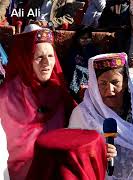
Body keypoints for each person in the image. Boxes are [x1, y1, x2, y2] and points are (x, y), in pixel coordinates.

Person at [68, 53, 133, 179]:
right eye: (103, 83)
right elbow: (72, 156)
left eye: (115, 82)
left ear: (125, 83)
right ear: (95, 86)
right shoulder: (83, 115)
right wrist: (97, 151)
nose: (110, 89)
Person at [0, 29, 76, 180]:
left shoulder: (59, 93)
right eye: (39, 57)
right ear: (26, 59)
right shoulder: (6, 98)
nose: (47, 63)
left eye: (50, 56)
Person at [65, 27, 99, 103]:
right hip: (74, 75)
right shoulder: (73, 49)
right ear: (78, 38)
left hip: (91, 74)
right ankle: (77, 96)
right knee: (77, 70)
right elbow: (69, 64)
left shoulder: (93, 49)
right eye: (83, 38)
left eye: (88, 38)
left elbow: (96, 63)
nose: (85, 40)